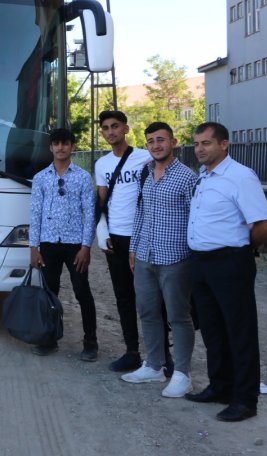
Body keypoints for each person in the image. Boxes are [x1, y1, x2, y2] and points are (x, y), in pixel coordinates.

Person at [185, 122, 267, 422]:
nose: (199, 149)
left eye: (206, 143)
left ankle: (245, 399)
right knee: (212, 330)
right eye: (197, 143)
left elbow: (265, 224)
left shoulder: (240, 176)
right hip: (201, 262)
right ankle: (220, 386)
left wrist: (242, 248)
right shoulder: (204, 175)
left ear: (224, 144)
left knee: (239, 331)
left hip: (230, 262)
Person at [123, 122, 197, 397]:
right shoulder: (145, 172)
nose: (156, 145)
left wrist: (194, 257)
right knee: (148, 312)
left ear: (173, 142)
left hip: (175, 258)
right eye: (151, 141)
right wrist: (133, 248)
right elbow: (140, 212)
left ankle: (182, 374)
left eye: (161, 140)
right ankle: (155, 366)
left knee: (178, 316)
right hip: (145, 255)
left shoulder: (187, 178)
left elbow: (195, 218)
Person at [28, 128, 98, 360]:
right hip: (48, 243)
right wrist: (34, 247)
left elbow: (90, 213)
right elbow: (35, 213)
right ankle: (49, 339)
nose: (60, 148)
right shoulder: (40, 178)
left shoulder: (83, 177)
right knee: (50, 293)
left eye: (65, 143)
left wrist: (86, 247)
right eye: (56, 143)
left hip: (75, 244)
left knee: (82, 292)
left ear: (72, 146)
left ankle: (90, 342)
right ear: (50, 147)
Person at [94, 110, 152, 372]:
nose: (110, 132)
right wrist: (103, 233)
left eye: (115, 126)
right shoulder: (102, 164)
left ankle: (162, 355)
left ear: (126, 129)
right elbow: (102, 202)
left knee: (151, 297)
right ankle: (132, 352)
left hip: (142, 236)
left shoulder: (145, 157)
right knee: (123, 297)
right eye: (105, 128)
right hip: (115, 239)